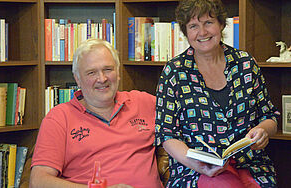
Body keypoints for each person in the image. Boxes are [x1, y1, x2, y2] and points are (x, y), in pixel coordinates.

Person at [154, 0, 280, 187]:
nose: (202, 32)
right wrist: (196, 165)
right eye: (193, 26)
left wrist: (263, 131)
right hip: (195, 169)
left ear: (221, 24)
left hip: (251, 164)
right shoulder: (174, 71)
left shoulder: (245, 64)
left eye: (208, 23)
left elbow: (270, 116)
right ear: (185, 32)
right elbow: (166, 134)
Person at [30, 38, 163, 188]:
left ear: (118, 72)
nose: (102, 79)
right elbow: (39, 181)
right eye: (92, 72)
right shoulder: (59, 118)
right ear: (78, 79)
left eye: (108, 69)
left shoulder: (143, 102)